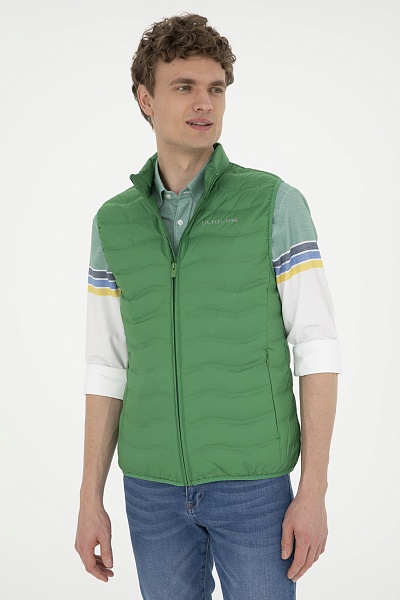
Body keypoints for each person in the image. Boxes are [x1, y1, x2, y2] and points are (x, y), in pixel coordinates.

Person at [75, 13, 340, 600]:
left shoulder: (274, 203)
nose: (204, 103)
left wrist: (313, 489)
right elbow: (106, 364)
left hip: (255, 488)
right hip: (150, 491)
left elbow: (317, 347)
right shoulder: (113, 223)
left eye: (216, 88)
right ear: (145, 99)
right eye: (184, 87)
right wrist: (90, 497)